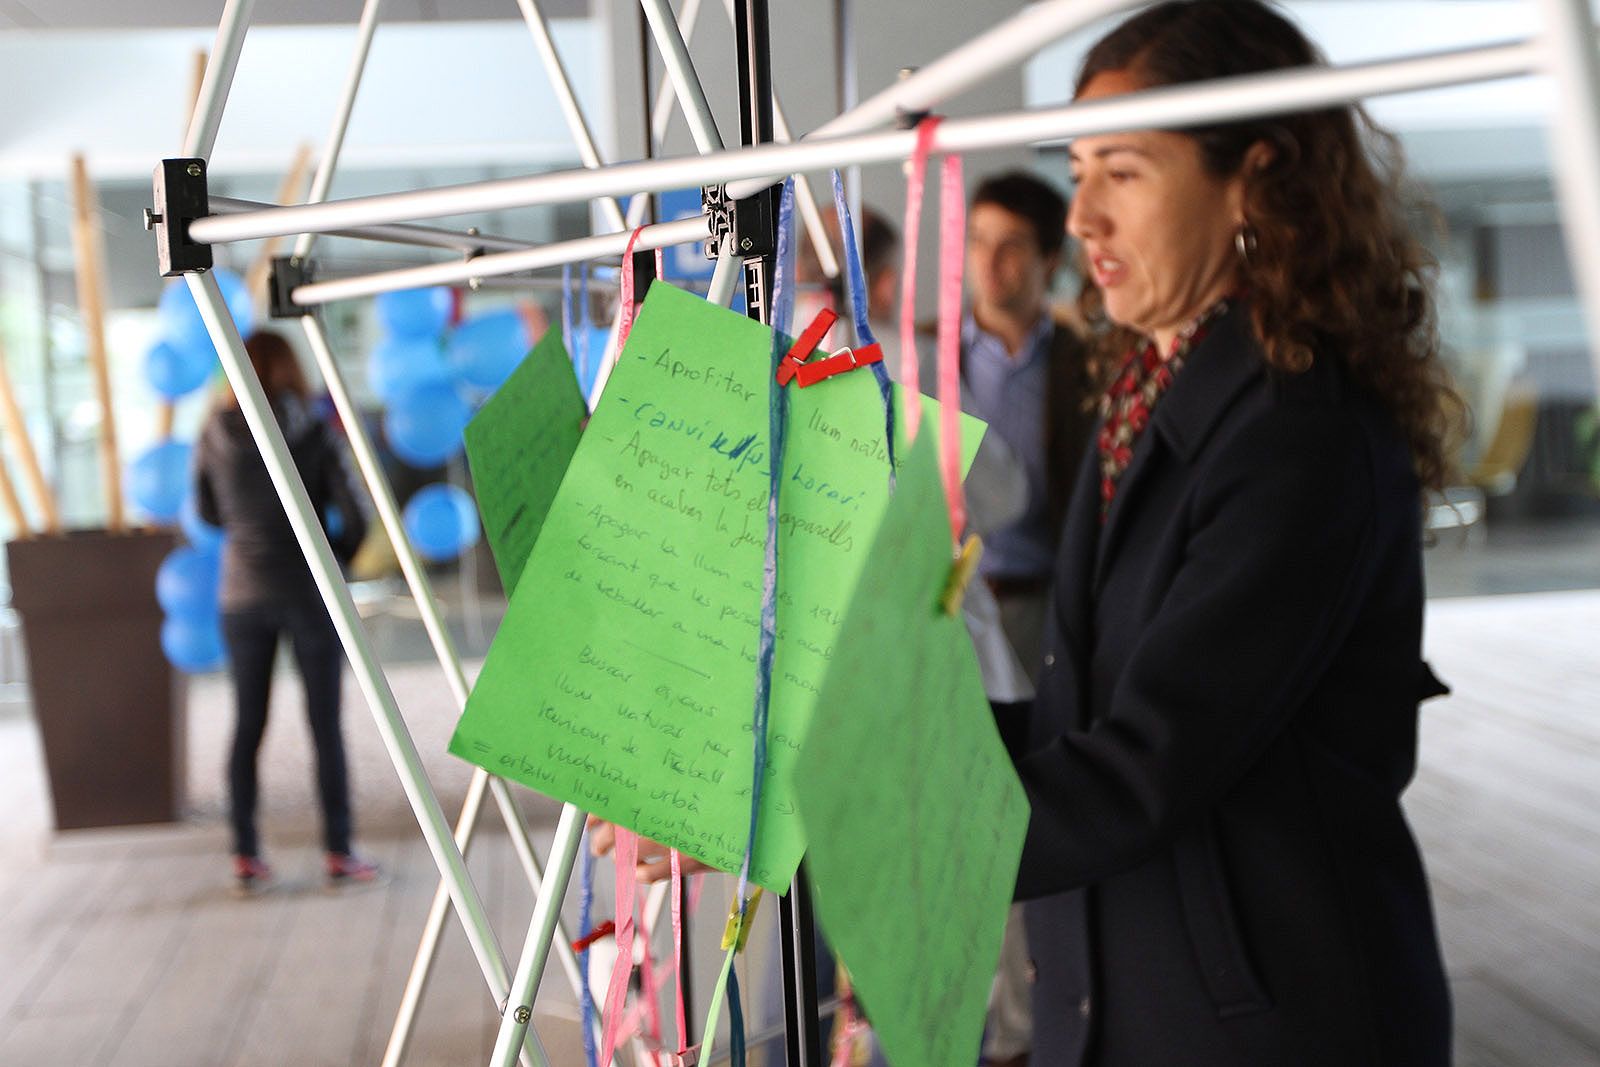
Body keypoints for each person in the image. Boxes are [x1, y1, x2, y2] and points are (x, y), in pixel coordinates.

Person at [1009, 3, 1458, 1064]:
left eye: (1122, 171)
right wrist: (810, 753)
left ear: (1254, 181)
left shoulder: (1296, 434)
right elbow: (1079, 711)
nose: (1080, 218)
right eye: (1076, 172)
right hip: (1138, 1001)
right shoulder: (1145, 394)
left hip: (1267, 1024)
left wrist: (816, 823)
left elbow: (1137, 766)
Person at [195, 329, 379, 895]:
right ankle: (339, 852)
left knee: (247, 724)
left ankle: (246, 854)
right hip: (308, 592)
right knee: (324, 724)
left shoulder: (212, 434)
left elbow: (207, 514)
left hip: (241, 595)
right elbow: (358, 515)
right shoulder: (316, 433)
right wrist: (333, 557)